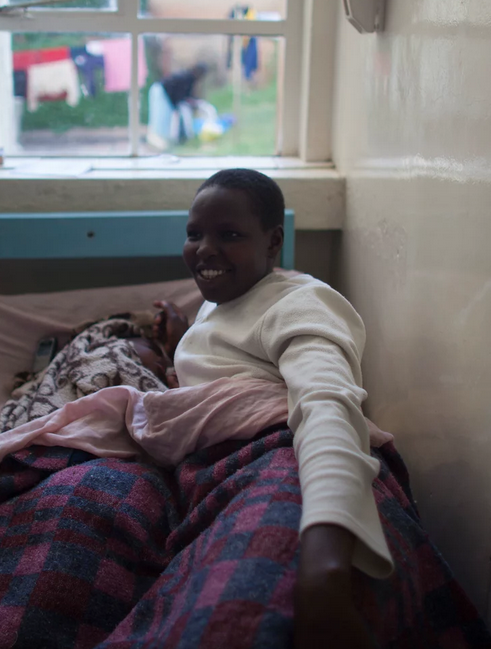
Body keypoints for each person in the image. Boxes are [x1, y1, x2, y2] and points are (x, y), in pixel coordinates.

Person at [154, 168, 391, 648]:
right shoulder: (221, 302)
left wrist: (325, 566)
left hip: (274, 460)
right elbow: (228, 356)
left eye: (229, 235)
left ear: (273, 241)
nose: (204, 249)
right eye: (194, 234)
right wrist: (180, 344)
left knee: (241, 597)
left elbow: (326, 405)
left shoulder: (302, 305)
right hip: (198, 469)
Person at [159, 64, 208, 141]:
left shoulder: (190, 78)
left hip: (172, 97)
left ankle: (182, 137)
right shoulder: (186, 77)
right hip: (163, 92)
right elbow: (177, 92)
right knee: (167, 117)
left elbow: (186, 94)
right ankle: (168, 138)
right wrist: (175, 104)